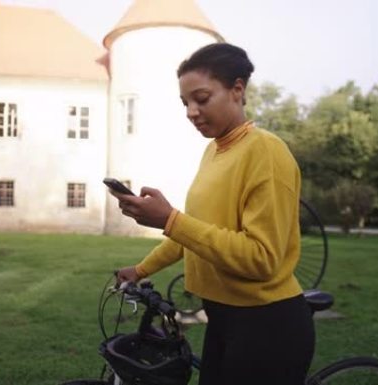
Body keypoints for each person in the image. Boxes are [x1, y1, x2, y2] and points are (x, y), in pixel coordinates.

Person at [110, 42, 314, 385]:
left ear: (237, 90)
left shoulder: (266, 151)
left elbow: (261, 258)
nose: (191, 111)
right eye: (185, 103)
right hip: (222, 318)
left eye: (201, 99)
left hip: (266, 325)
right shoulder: (213, 152)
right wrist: (142, 269)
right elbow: (193, 236)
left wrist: (170, 219)